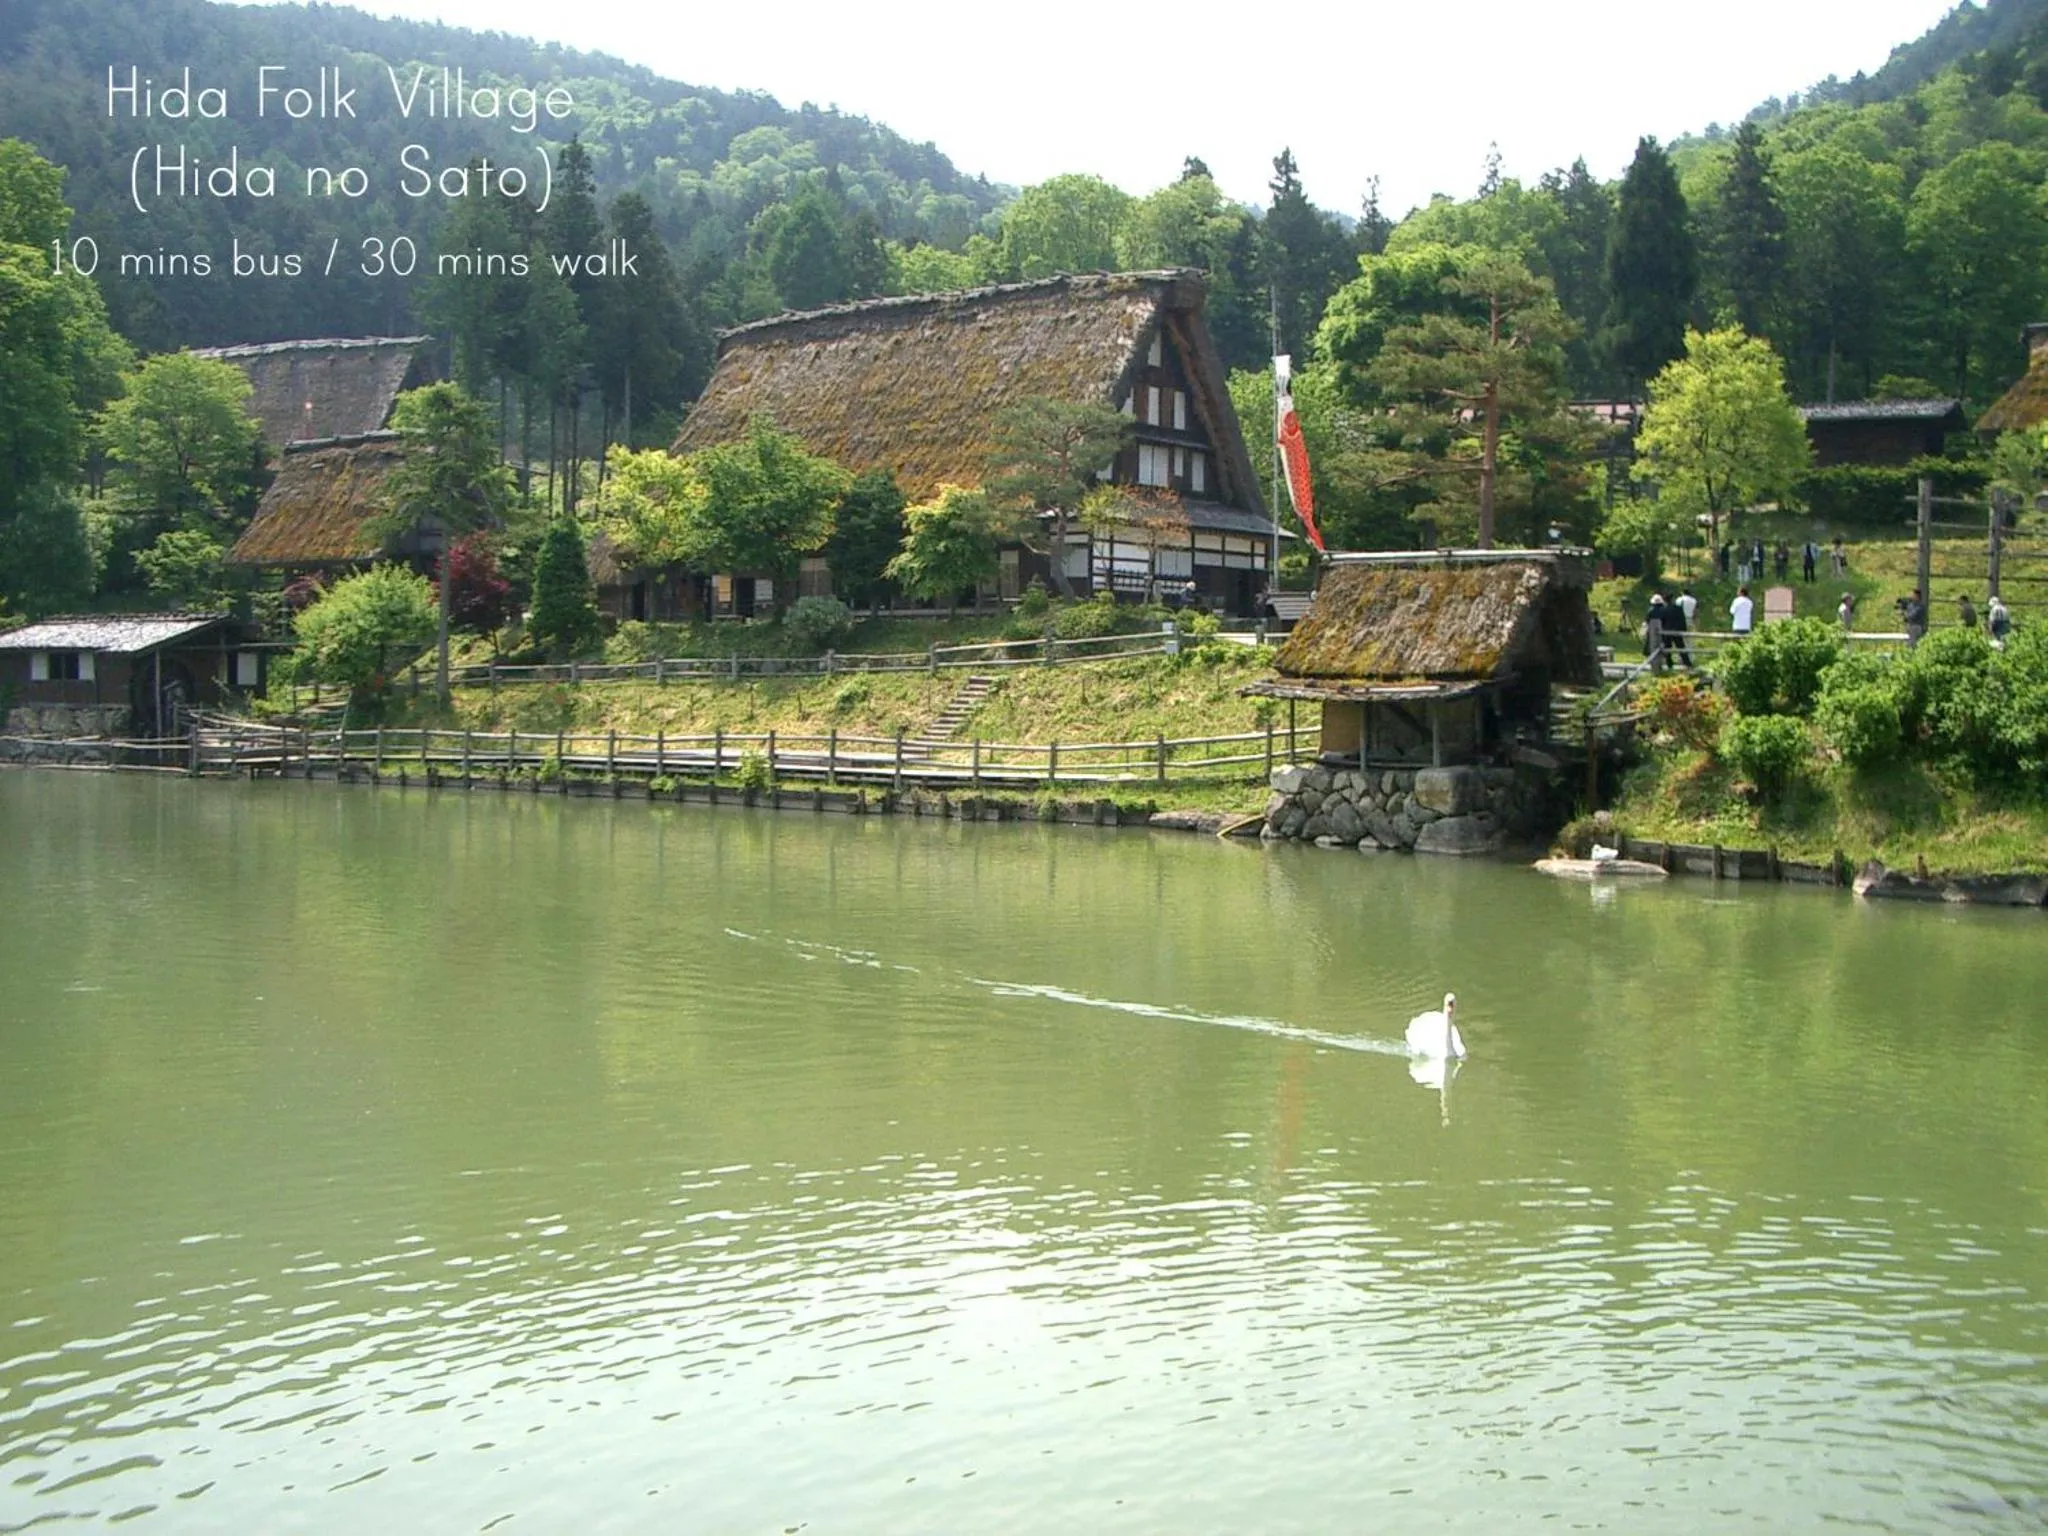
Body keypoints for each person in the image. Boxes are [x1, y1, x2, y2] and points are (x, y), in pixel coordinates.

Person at [1672, 587, 1696, 667]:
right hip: (1689, 619)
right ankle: (1690, 658)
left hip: (1680, 620)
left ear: (1682, 592)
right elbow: (1695, 612)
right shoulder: (1693, 600)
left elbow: (1676, 610)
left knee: (1680, 640)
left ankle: (1680, 658)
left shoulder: (1679, 599)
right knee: (1689, 640)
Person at [1644, 592, 1669, 670]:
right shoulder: (1664, 610)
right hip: (1663, 630)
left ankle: (1652, 661)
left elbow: (1647, 620)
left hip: (1652, 630)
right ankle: (1663, 660)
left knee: (1651, 644)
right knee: (1663, 645)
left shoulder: (1650, 610)